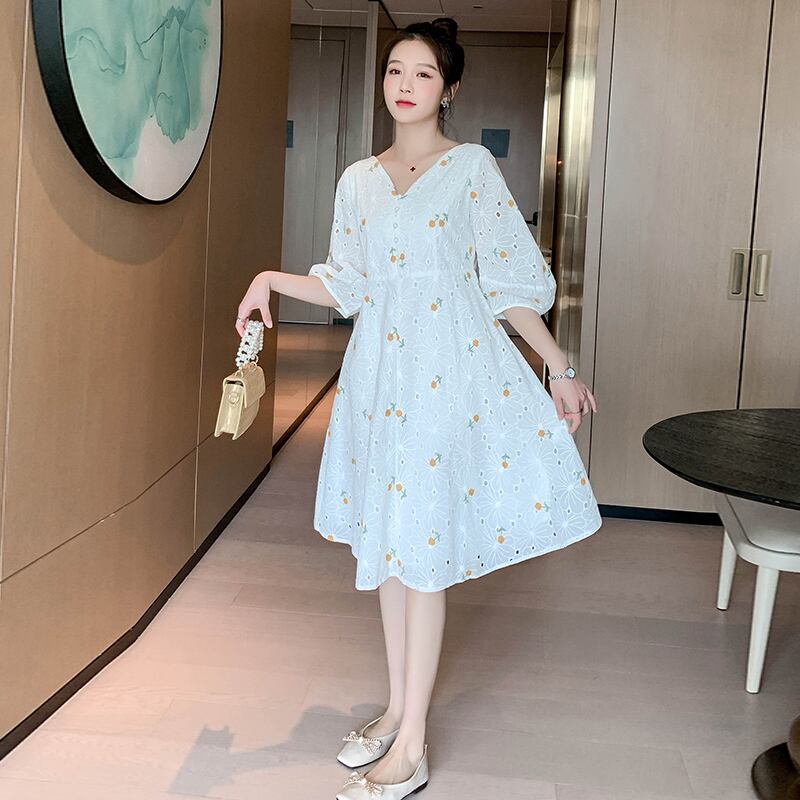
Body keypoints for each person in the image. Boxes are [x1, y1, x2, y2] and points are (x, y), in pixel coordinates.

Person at [236, 16, 602, 800]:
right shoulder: (357, 180)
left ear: (449, 88)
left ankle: (412, 744)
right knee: (391, 550)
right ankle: (398, 708)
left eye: (423, 73)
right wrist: (269, 280)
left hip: (446, 379)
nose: (404, 84)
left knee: (422, 553)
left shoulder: (469, 169)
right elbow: (347, 283)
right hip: (379, 385)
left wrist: (558, 365)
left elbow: (505, 283)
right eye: (395, 70)